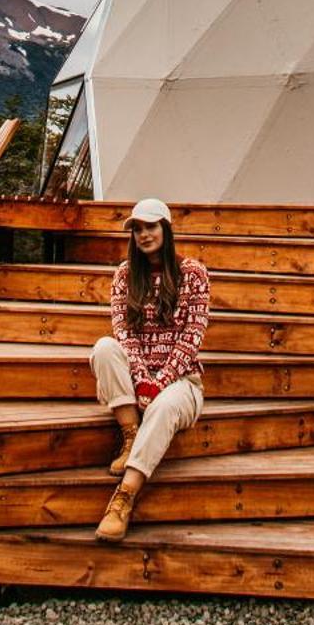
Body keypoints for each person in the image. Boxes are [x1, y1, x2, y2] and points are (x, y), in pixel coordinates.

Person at [88, 197, 211, 543]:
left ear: (166, 229)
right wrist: (142, 378)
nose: (144, 235)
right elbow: (123, 333)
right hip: (136, 378)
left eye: (151, 226)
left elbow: (192, 338)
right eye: (137, 229)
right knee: (104, 348)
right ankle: (130, 435)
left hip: (182, 380)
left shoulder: (193, 274)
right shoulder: (125, 276)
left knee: (165, 406)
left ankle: (123, 498)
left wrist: (160, 383)